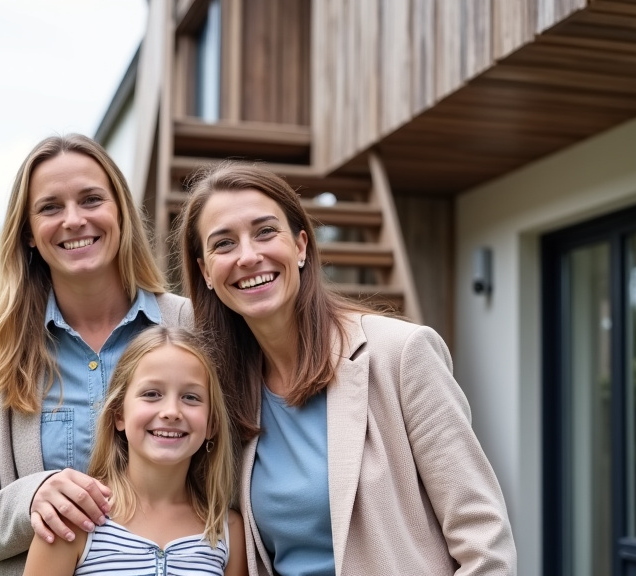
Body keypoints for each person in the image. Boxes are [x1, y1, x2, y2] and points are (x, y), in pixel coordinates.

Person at [176, 161, 517, 576]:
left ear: (301, 246)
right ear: (205, 272)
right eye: (224, 243)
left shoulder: (400, 354)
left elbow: (485, 541)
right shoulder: (220, 388)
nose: (248, 256)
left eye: (265, 232)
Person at [0, 134, 193, 576]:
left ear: (121, 212)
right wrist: (32, 497)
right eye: (50, 207)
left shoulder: (193, 328)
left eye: (91, 199)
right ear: (29, 233)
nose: (74, 220)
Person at [22, 326, 245, 576]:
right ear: (119, 414)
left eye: (191, 397)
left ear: (212, 423)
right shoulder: (74, 516)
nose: (171, 411)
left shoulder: (228, 531)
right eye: (152, 394)